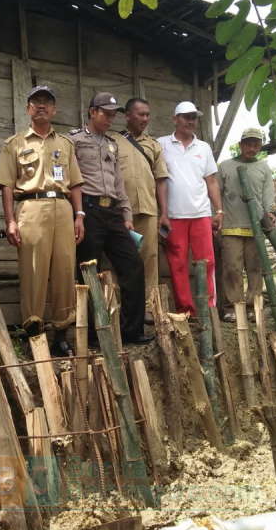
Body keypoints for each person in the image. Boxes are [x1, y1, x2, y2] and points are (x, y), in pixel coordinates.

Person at [0, 85, 85, 355]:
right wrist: (10, 221)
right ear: (28, 109)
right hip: (31, 208)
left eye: (47, 102)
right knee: (33, 271)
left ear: (54, 109)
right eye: (36, 102)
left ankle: (61, 334)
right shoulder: (15, 144)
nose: (42, 106)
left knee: (65, 272)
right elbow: (7, 185)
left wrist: (79, 215)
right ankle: (34, 332)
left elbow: (76, 183)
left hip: (62, 208)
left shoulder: (65, 144)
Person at [70, 92, 152, 344]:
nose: (110, 118)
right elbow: (71, 179)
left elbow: (119, 182)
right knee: (89, 270)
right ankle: (94, 335)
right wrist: (77, 214)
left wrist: (126, 214)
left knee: (133, 267)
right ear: (92, 111)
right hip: (89, 209)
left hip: (113, 211)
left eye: (113, 114)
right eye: (105, 113)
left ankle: (131, 331)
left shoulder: (111, 143)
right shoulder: (73, 140)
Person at [157, 101, 222, 316]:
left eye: (193, 117)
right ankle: (186, 310)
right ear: (175, 119)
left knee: (208, 262)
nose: (190, 121)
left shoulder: (203, 148)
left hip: (201, 214)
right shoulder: (162, 144)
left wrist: (219, 211)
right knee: (178, 264)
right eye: (186, 117)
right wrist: (163, 213)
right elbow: (159, 180)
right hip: (174, 215)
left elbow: (211, 181)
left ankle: (210, 308)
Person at [108, 98, 170, 320]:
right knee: (118, 259)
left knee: (149, 259)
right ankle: (118, 309)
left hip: (147, 209)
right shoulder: (113, 141)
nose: (145, 119)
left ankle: (148, 308)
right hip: (120, 211)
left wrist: (164, 212)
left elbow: (161, 180)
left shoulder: (153, 145)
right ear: (127, 115)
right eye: (140, 114)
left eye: (147, 115)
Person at [217, 127, 275, 321]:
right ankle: (232, 307)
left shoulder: (263, 168)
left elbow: (268, 196)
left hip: (255, 226)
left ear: (260, 147)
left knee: (254, 267)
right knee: (232, 267)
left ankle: (253, 307)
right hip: (231, 225)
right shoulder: (225, 166)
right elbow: (216, 194)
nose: (252, 147)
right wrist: (216, 215)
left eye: (256, 144)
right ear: (240, 145)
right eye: (248, 144)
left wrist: (270, 213)